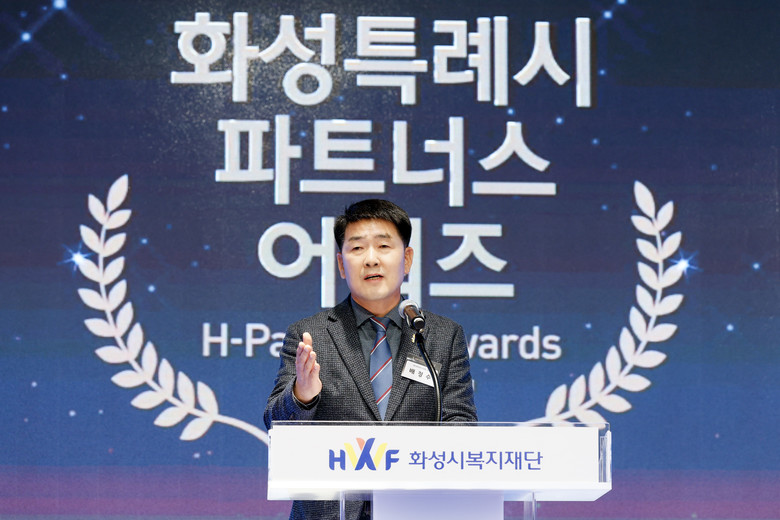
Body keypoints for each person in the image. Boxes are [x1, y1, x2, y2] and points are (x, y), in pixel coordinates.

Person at [264, 199, 477, 520]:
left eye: (383, 246)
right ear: (341, 264)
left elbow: (461, 423)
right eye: (357, 248)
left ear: (407, 259)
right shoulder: (309, 334)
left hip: (415, 509)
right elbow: (276, 426)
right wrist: (302, 396)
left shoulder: (442, 336)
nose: (371, 259)